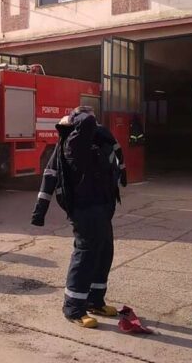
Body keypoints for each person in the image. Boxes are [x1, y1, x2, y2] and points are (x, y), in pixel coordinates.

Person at [31, 106, 127, 329]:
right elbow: (50, 176)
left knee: (104, 252)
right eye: (90, 118)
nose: (93, 121)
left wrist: (121, 172)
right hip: (83, 210)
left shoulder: (99, 140)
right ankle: (74, 308)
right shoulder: (72, 142)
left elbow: (115, 155)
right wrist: (39, 211)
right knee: (85, 256)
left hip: (102, 208)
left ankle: (94, 301)